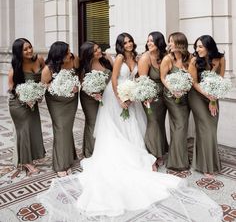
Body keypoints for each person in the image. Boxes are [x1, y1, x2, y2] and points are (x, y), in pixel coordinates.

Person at [39, 33, 222, 222]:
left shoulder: (134, 57)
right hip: (117, 95)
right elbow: (115, 79)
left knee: (133, 126)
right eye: (124, 42)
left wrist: (136, 93)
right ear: (120, 45)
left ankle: (141, 153)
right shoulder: (118, 58)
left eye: (130, 41)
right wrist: (121, 98)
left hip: (132, 95)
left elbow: (137, 78)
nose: (128, 44)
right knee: (118, 127)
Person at [188, 35, 225, 177]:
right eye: (196, 46)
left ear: (209, 47)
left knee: (211, 130)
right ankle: (206, 166)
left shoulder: (220, 59)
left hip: (213, 96)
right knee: (205, 129)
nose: (197, 49)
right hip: (197, 96)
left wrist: (213, 99)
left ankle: (209, 163)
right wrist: (208, 95)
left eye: (200, 46)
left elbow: (220, 80)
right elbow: (194, 83)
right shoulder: (194, 61)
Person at [41, 41, 79, 177]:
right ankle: (60, 164)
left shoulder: (73, 59)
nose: (70, 53)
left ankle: (69, 156)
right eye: (67, 52)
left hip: (72, 100)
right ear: (59, 55)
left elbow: (79, 75)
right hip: (56, 102)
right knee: (61, 129)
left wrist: (76, 86)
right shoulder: (48, 69)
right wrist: (58, 87)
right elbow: (44, 85)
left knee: (67, 128)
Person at [8, 38, 45, 175]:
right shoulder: (15, 69)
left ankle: (30, 158)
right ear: (19, 52)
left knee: (33, 129)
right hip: (19, 105)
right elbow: (12, 89)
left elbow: (46, 75)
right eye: (25, 49)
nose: (29, 51)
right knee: (24, 132)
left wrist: (41, 92)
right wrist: (25, 99)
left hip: (33, 102)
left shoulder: (39, 59)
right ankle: (26, 163)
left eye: (30, 47)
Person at [160, 32, 191, 171]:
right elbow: (163, 78)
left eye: (172, 41)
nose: (169, 44)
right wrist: (173, 90)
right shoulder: (168, 59)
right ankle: (176, 162)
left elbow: (192, 77)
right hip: (171, 96)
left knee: (180, 126)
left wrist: (184, 88)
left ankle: (179, 157)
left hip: (185, 96)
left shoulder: (189, 58)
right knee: (180, 126)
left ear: (180, 43)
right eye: (169, 41)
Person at [138, 31, 168, 167]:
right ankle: (151, 156)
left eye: (152, 40)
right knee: (153, 123)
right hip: (150, 97)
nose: (149, 43)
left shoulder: (164, 56)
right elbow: (142, 80)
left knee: (160, 123)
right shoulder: (145, 58)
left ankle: (160, 151)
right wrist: (146, 96)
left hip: (164, 97)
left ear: (159, 42)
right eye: (148, 40)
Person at [79, 41, 113, 157]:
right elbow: (82, 84)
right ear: (88, 54)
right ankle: (91, 152)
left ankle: (104, 150)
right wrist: (93, 94)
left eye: (98, 48)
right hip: (89, 98)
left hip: (106, 97)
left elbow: (115, 75)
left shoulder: (106, 59)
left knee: (105, 122)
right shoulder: (84, 67)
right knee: (92, 123)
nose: (98, 51)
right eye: (94, 50)